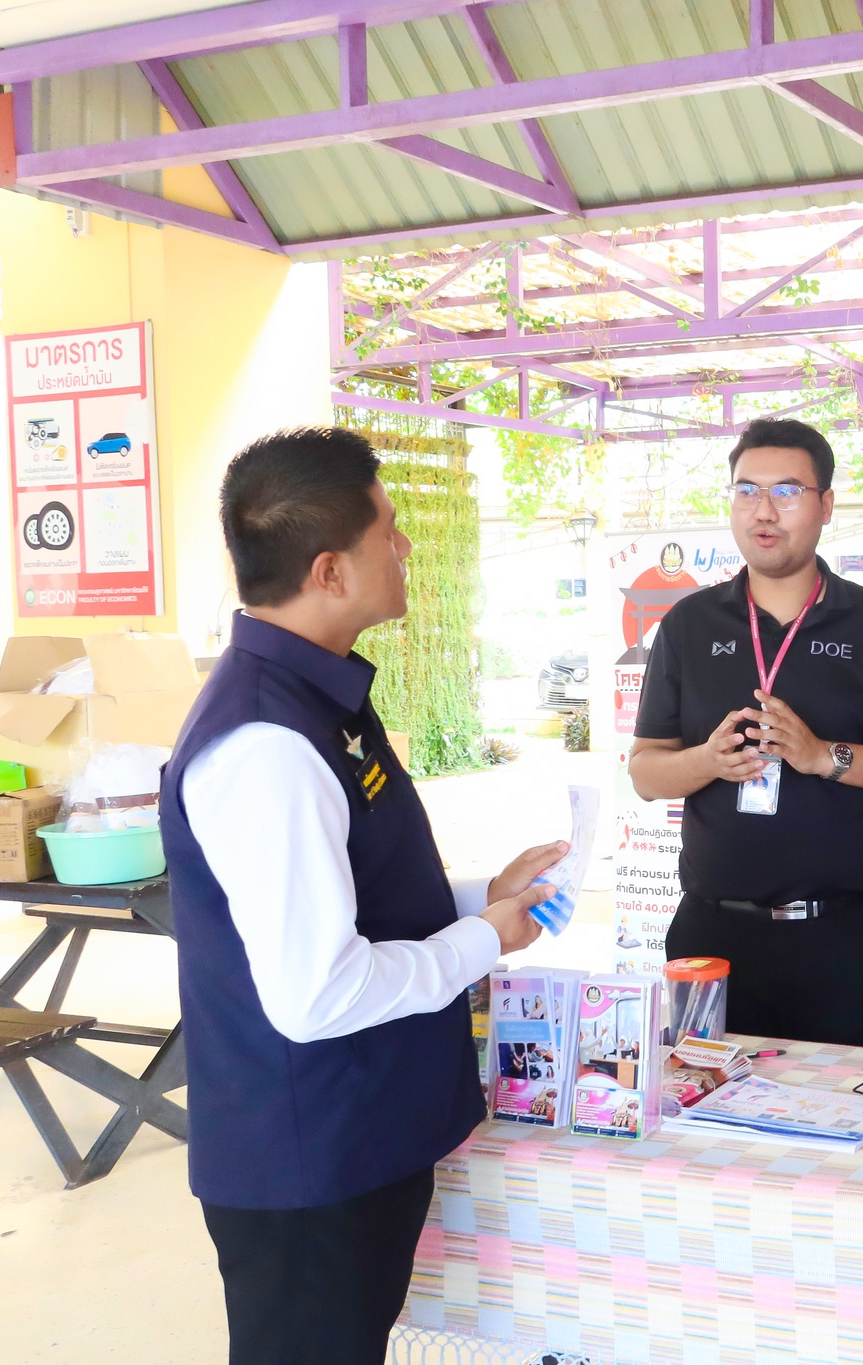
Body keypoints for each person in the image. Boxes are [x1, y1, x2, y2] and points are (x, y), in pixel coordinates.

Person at [160, 427, 564, 1365]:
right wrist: (484, 939)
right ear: (331, 570)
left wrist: (481, 894)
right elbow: (318, 992)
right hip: (310, 1163)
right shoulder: (266, 743)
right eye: (389, 528)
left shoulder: (313, 695)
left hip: (355, 1139)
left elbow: (342, 893)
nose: (407, 545)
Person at [629, 418, 863, 1049]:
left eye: (787, 491)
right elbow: (645, 770)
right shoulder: (688, 625)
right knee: (710, 1101)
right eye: (746, 490)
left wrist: (822, 756)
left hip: (849, 939)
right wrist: (708, 761)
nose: (764, 510)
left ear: (826, 505)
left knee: (853, 1105)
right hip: (713, 936)